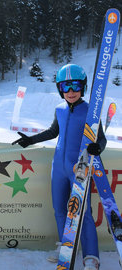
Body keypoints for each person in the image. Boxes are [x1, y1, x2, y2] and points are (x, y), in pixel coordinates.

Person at [12, 64, 107, 270]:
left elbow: (102, 139)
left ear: (83, 87)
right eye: (66, 87)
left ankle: (91, 256)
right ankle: (66, 246)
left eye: (75, 86)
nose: (71, 92)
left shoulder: (91, 111)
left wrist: (96, 148)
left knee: (84, 213)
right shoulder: (60, 109)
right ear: (60, 89)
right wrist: (30, 140)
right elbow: (53, 131)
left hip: (80, 168)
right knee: (59, 208)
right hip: (59, 167)